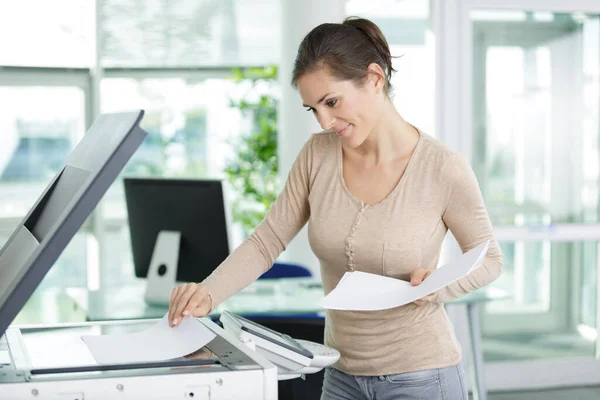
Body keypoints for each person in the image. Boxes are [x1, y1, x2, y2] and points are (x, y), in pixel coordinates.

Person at [168, 16, 503, 400]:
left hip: (422, 377)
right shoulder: (318, 154)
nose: (325, 121)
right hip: (342, 375)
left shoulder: (441, 167)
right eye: (313, 108)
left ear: (374, 79)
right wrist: (208, 293)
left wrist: (437, 286)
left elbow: (490, 259)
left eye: (331, 102)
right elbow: (268, 241)